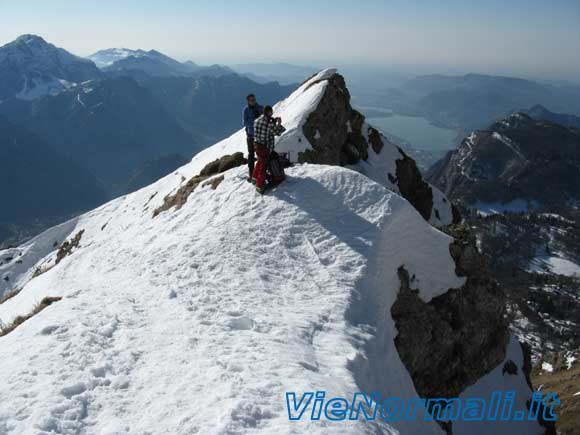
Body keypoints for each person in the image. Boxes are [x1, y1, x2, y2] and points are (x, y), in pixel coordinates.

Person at [252, 106, 286, 194]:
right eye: (271, 112)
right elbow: (278, 132)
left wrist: (272, 120)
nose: (272, 114)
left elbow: (265, 125)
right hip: (265, 147)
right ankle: (259, 185)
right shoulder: (269, 124)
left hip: (256, 145)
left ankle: (254, 178)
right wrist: (278, 123)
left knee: (260, 161)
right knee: (263, 166)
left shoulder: (258, 120)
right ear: (268, 112)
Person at [242, 94, 263, 179]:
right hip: (250, 135)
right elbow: (244, 123)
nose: (253, 101)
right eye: (251, 100)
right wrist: (254, 122)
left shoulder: (261, 108)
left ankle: (261, 173)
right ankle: (252, 174)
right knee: (251, 154)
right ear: (248, 101)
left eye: (253, 99)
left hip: (260, 135)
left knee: (261, 154)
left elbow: (265, 118)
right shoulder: (246, 110)